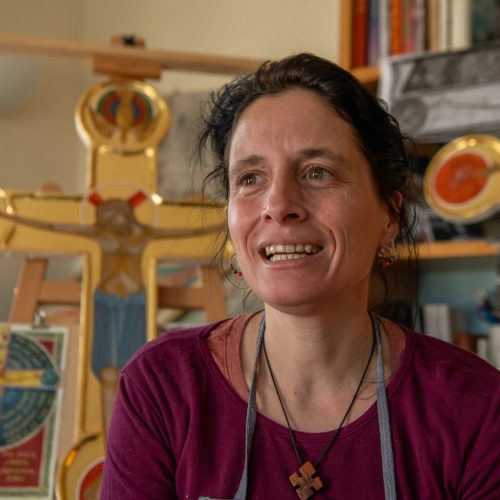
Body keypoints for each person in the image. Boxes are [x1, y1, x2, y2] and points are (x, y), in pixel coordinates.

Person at [100, 53, 500, 499]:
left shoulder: (477, 407)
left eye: (317, 172)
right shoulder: (164, 386)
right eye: (250, 178)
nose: (278, 204)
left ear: (389, 215)